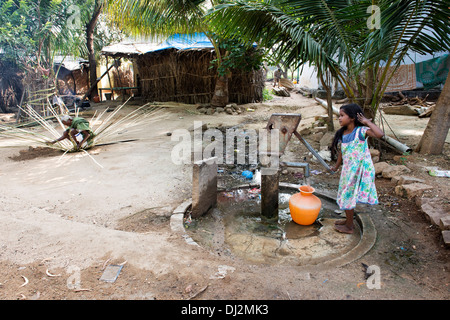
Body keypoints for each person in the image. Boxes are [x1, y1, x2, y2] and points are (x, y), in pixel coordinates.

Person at [330, 104, 384, 234]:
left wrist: (366, 122)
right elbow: (342, 152)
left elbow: (379, 134)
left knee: (348, 195)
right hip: (348, 170)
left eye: (342, 115)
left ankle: (349, 227)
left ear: (353, 118)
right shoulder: (343, 133)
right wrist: (336, 167)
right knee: (346, 194)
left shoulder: (361, 132)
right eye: (339, 116)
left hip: (360, 170)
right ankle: (348, 221)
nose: (339, 118)